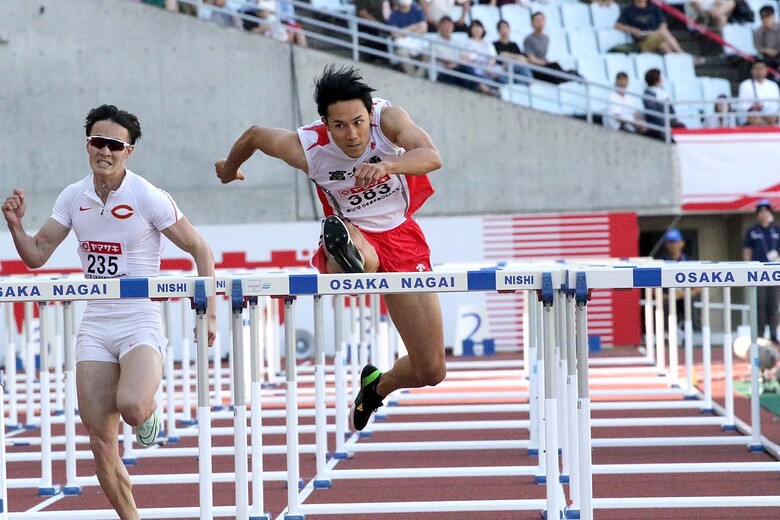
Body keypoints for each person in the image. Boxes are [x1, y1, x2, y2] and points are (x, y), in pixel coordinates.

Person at [1, 105, 218, 519]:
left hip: (138, 318)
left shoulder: (146, 196)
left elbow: (200, 249)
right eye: (97, 142)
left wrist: (208, 311)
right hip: (97, 324)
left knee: (133, 406)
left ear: (128, 151)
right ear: (88, 146)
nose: (105, 151)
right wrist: (14, 225)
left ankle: (148, 414)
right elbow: (37, 255)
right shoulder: (72, 196)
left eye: (114, 145)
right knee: (100, 438)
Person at [214, 65, 446, 431]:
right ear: (325, 122)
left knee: (431, 369)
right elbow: (256, 136)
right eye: (339, 126)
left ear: (369, 113)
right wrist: (229, 168)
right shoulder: (308, 146)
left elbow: (432, 156)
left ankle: (376, 386)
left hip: (401, 236)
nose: (351, 135)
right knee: (360, 262)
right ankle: (340, 251)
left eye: (357, 122)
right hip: (356, 233)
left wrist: (387, 165)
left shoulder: (388, 120)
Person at [743, 199, 780, 344]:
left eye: (766, 211)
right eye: (760, 212)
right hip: (758, 271)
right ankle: (759, 333)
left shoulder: (776, 230)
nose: (763, 214)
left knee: (774, 304)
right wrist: (747, 268)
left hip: (774, 271)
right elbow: (747, 251)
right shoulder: (752, 231)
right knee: (760, 303)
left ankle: (773, 333)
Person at [653, 228, 700, 324]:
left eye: (675, 242)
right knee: (663, 311)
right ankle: (666, 335)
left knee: (688, 307)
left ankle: (688, 331)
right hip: (666, 299)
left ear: (682, 243)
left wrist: (684, 294)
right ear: (666, 244)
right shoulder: (660, 261)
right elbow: (651, 285)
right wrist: (665, 296)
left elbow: (699, 285)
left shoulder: (689, 261)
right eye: (670, 242)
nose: (673, 245)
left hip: (685, 298)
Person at [523, 12, 581, 84]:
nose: (539, 23)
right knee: (555, 67)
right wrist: (545, 63)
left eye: (541, 20)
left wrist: (546, 61)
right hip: (535, 68)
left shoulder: (546, 38)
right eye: (537, 21)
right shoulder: (529, 39)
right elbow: (531, 59)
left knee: (556, 66)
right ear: (532, 23)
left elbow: (542, 56)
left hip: (544, 65)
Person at [614, 0, 684, 54]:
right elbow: (617, 25)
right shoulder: (628, 10)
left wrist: (655, 32)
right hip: (642, 41)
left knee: (665, 46)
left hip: (656, 36)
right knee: (663, 33)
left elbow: (663, 24)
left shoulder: (653, 8)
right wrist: (631, 30)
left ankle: (676, 64)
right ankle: (681, 53)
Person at [432, 16, 481, 92]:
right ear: (439, 27)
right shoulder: (435, 42)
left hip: (458, 69)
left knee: (469, 70)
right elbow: (446, 61)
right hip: (444, 72)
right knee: (466, 69)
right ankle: (484, 89)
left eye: (449, 25)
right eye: (445, 25)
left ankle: (482, 88)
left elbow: (465, 57)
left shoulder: (456, 42)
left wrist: (457, 63)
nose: (447, 28)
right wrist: (458, 62)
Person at [387, 0, 429, 77]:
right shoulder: (393, 15)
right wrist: (414, 27)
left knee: (429, 53)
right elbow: (395, 34)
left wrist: (403, 31)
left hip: (417, 41)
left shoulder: (417, 12)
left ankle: (419, 76)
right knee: (402, 52)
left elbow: (424, 29)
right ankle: (413, 75)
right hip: (403, 44)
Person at [642, 67, 685, 141]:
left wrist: (673, 121)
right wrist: (664, 125)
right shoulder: (648, 94)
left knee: (681, 127)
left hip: (668, 122)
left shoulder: (663, 93)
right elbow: (653, 113)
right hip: (656, 125)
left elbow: (671, 110)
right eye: (660, 77)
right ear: (656, 80)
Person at [737, 59, 780, 126]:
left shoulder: (773, 85)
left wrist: (766, 109)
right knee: (755, 118)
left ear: (766, 70)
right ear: (752, 71)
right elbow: (743, 104)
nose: (759, 71)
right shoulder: (745, 84)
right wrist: (753, 106)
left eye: (761, 68)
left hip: (770, 114)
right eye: (756, 68)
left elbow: (776, 103)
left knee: (772, 117)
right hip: (753, 114)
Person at [493, 20, 533, 85]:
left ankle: (528, 82)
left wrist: (508, 55)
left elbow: (522, 58)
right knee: (503, 79)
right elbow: (499, 57)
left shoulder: (514, 45)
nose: (504, 30)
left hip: (515, 69)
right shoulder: (494, 44)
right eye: (502, 28)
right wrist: (514, 57)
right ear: (498, 31)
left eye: (506, 28)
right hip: (503, 69)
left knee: (521, 75)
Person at [754, 5, 780, 70]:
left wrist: (776, 52)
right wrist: (767, 51)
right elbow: (758, 47)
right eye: (763, 17)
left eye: (768, 16)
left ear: (773, 17)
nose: (765, 20)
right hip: (766, 59)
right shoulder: (757, 31)